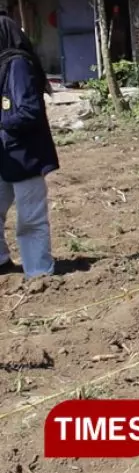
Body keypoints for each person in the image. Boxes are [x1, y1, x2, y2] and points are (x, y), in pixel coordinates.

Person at [0, 16, 58, 279]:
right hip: (7, 154)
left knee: (30, 219)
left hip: (26, 155)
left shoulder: (17, 65)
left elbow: (29, 111)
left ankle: (39, 272)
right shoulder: (4, 65)